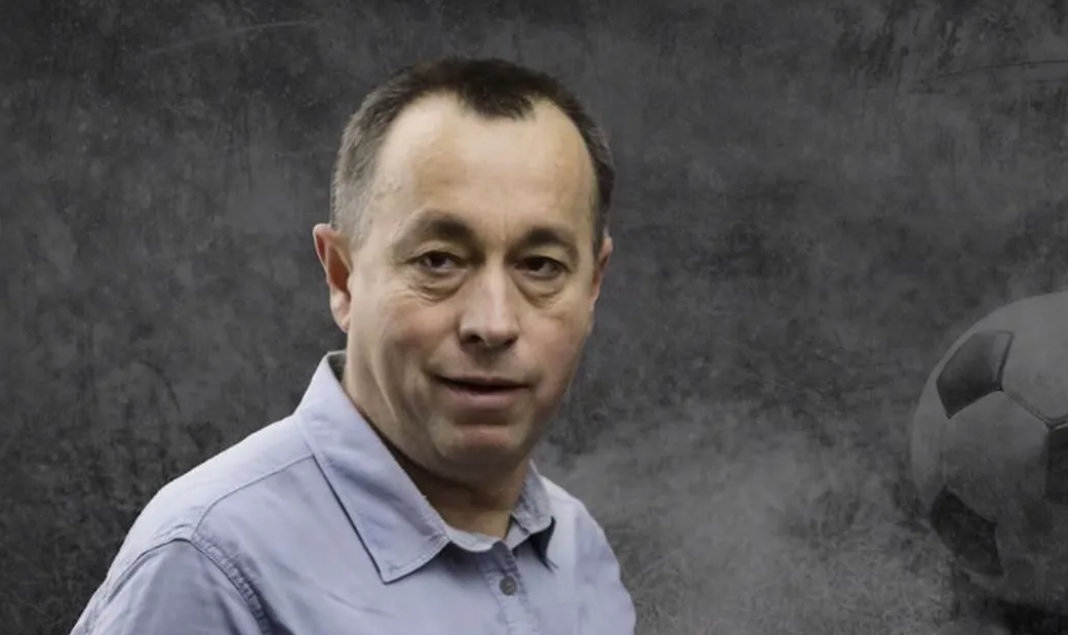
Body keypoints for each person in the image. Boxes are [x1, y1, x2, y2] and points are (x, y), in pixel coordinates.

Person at [68, 56, 636, 634]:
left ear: (593, 284)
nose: (493, 324)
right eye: (438, 261)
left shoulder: (580, 553)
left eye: (540, 266)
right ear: (342, 277)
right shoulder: (210, 566)